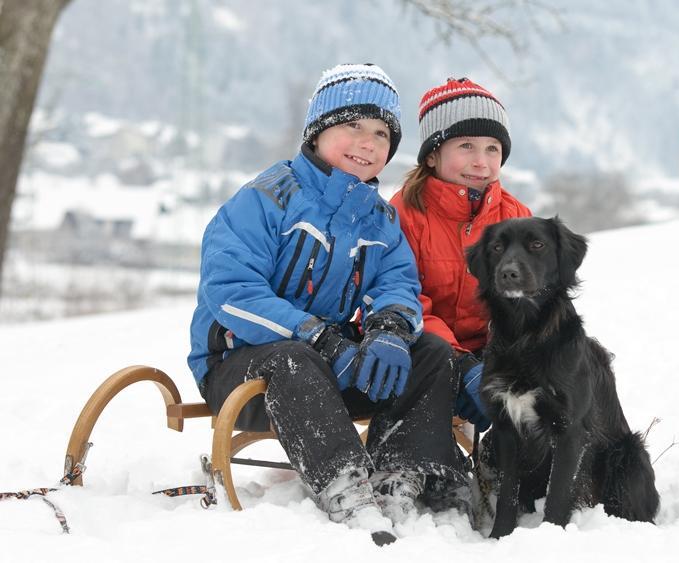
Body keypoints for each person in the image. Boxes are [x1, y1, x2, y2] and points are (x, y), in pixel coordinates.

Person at [188, 64, 465, 546]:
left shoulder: (378, 220)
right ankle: (344, 482)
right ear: (318, 132)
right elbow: (233, 293)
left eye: (381, 133)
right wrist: (318, 336)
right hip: (244, 371)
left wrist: (388, 331)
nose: (367, 142)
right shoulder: (265, 199)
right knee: (294, 357)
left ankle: (399, 473)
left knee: (430, 354)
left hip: (328, 367)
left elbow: (397, 282)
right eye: (352, 126)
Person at [390, 77, 532, 435]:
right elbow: (404, 299)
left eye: (492, 149)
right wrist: (461, 365)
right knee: (429, 355)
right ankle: (427, 463)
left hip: (492, 352)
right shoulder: (405, 214)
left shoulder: (515, 217)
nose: (481, 162)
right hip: (427, 352)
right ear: (433, 154)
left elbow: (531, 304)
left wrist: (497, 362)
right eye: (466, 145)